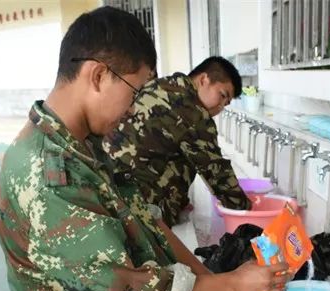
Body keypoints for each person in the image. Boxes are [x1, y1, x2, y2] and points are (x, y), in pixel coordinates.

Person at [0, 6, 288, 291]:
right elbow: (125, 288)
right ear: (97, 75)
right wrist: (230, 283)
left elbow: (147, 220)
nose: (134, 109)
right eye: (133, 92)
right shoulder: (49, 177)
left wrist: (211, 284)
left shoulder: (86, 145)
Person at [103, 56, 253, 227]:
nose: (219, 107)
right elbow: (217, 172)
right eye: (222, 95)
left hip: (108, 187)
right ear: (203, 79)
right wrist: (247, 210)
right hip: (137, 206)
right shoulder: (194, 113)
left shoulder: (159, 85)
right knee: (193, 160)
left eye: (225, 104)